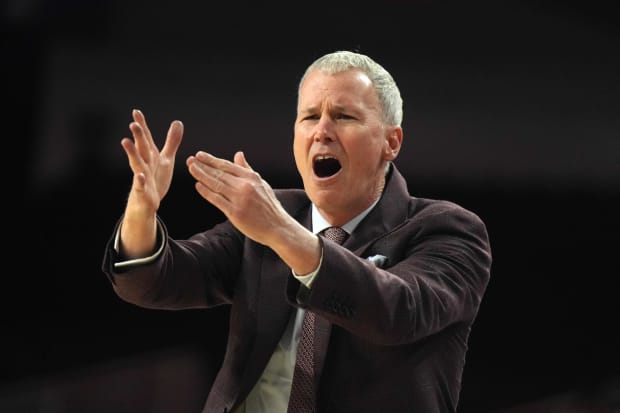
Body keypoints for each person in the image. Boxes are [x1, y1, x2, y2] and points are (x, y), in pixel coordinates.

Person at [101, 50, 492, 413]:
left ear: (391, 142)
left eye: (344, 116)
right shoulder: (271, 218)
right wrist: (141, 209)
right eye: (309, 117)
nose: (322, 131)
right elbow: (155, 281)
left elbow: (398, 311)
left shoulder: (447, 230)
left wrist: (281, 232)